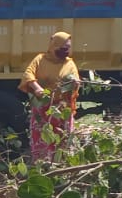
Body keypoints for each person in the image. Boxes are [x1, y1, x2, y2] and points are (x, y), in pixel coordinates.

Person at [19, 32, 79, 162]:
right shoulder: (40, 60)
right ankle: (43, 165)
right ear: (54, 46)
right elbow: (28, 75)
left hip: (62, 109)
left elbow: (76, 82)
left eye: (68, 48)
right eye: (63, 49)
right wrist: (37, 88)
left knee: (63, 139)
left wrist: (75, 84)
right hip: (42, 109)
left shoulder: (70, 64)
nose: (66, 51)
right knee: (42, 138)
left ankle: (61, 166)